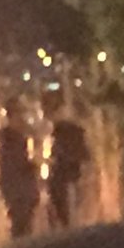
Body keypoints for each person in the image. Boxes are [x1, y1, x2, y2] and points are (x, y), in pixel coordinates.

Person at [43, 90, 90, 230]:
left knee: (67, 216)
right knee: (66, 217)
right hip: (64, 181)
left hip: (67, 180)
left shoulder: (67, 132)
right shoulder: (62, 131)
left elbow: (79, 156)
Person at [0, 97, 39, 239]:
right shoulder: (8, 140)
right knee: (20, 228)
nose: (23, 117)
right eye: (20, 113)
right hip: (17, 192)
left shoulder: (22, 136)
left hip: (24, 191)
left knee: (25, 227)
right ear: (12, 116)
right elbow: (12, 166)